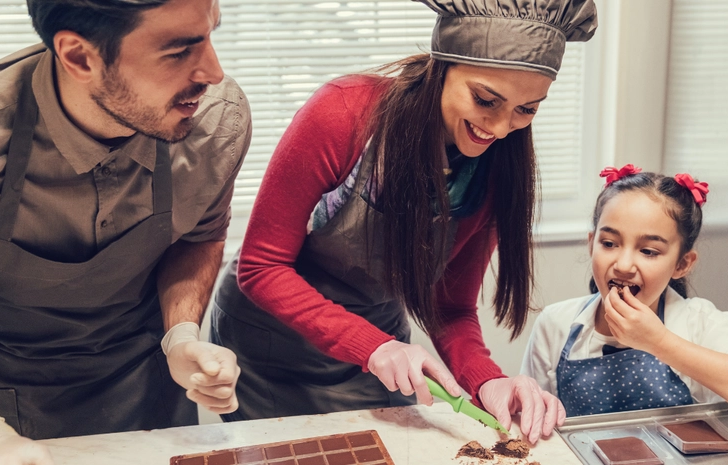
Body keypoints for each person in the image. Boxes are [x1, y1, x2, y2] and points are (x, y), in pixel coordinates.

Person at [209, 0, 596, 444]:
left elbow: (449, 308)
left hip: (381, 352)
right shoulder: (343, 114)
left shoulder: (496, 168)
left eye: (527, 109)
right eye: (486, 99)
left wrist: (489, 380)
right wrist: (372, 345)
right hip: (272, 351)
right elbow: (261, 267)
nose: (500, 127)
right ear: (442, 67)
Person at [0, 0, 248, 463]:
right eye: (178, 50)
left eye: (211, 35)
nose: (214, 72)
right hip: (16, 399)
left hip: (151, 377)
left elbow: (199, 235)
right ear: (80, 57)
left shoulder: (213, 120)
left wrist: (181, 334)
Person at [519, 165, 728, 420]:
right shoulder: (556, 324)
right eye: (609, 243)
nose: (624, 265)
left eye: (648, 251)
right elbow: (532, 421)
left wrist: (660, 342)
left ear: (682, 264)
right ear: (591, 244)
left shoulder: (699, 323)